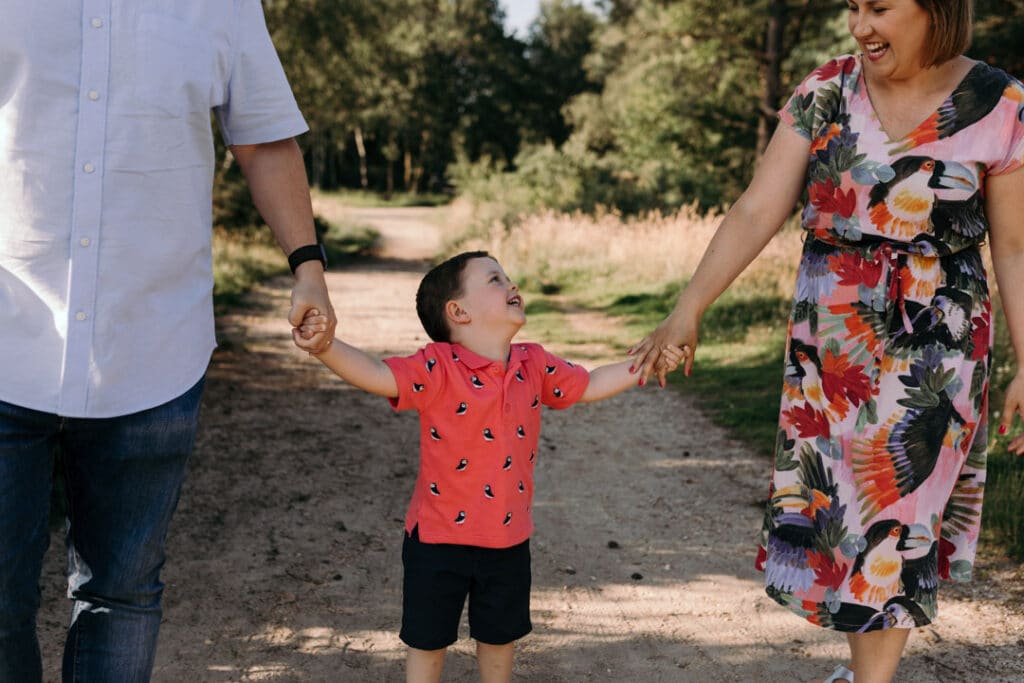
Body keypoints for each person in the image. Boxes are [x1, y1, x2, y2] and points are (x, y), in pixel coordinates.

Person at [628, 1, 1024, 681]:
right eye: (851, 7)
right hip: (829, 342)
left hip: (938, 345)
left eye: (879, 7)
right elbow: (758, 205)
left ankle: (872, 678)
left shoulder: (1001, 103)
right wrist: (689, 305)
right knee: (842, 514)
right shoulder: (824, 91)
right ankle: (861, 667)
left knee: (893, 511)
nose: (860, 26)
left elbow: (1015, 247)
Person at [0, 2, 335, 680]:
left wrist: (308, 267)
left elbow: (264, 138)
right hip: (8, 333)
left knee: (120, 593)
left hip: (154, 343)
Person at [296, 251, 682, 683]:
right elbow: (376, 372)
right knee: (428, 643)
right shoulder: (436, 367)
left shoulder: (534, 363)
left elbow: (589, 383)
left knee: (499, 641)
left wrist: (646, 362)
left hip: (507, 539)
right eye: (495, 279)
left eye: (508, 276)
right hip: (437, 541)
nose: (512, 284)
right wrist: (325, 347)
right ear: (458, 312)